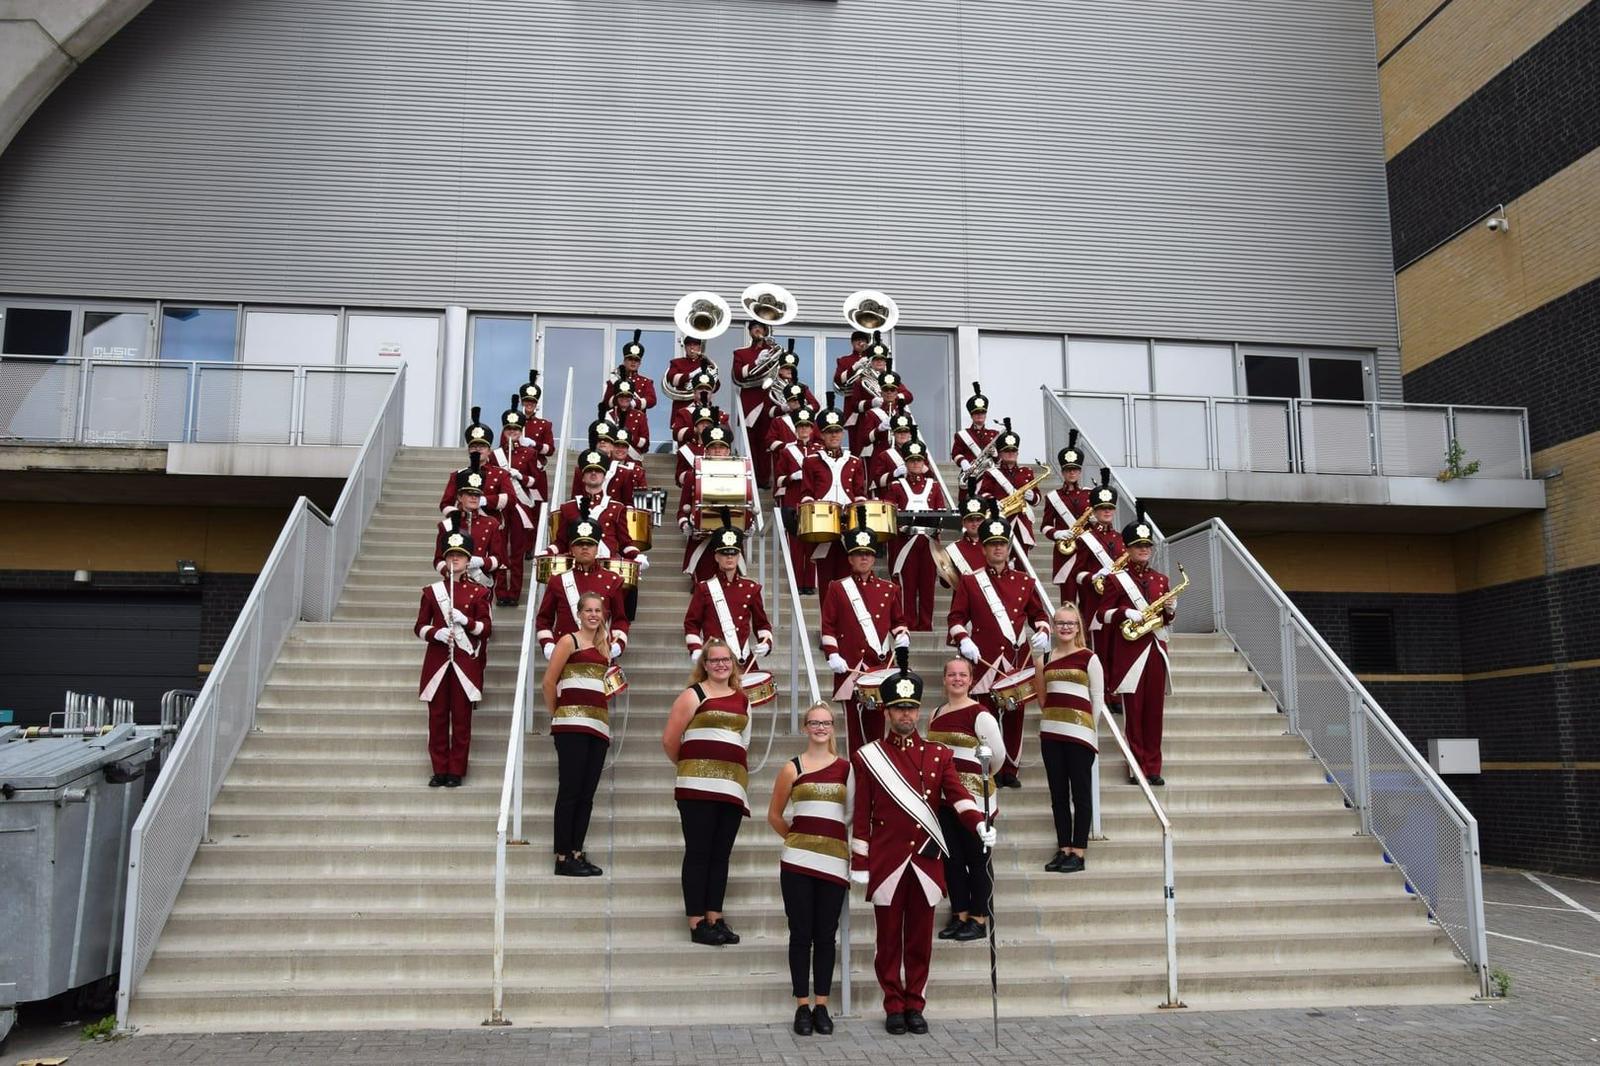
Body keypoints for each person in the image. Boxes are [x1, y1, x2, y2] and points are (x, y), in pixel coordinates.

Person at [850, 648, 996, 1036]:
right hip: (886, 861)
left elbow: (958, 795)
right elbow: (861, 813)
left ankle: (915, 1003)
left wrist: (979, 823)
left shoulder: (938, 754)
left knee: (919, 941)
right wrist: (860, 862)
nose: (905, 716)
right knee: (888, 943)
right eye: (898, 709)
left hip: (926, 861)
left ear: (918, 711)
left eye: (911, 709)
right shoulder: (868, 757)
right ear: (886, 712)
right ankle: (893, 1004)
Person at [766, 702, 850, 1037]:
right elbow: (774, 815)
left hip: (834, 863)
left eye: (825, 723)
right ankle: (802, 1005)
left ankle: (822, 1005)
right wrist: (800, 841)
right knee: (801, 934)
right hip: (798, 863)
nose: (819, 728)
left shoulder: (847, 768)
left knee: (826, 935)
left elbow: (855, 814)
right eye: (813, 722)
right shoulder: (792, 767)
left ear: (833, 727)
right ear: (805, 727)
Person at [947, 517, 1050, 788]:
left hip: (1017, 658)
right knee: (985, 718)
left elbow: (1038, 615)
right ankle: (989, 768)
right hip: (984, 658)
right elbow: (955, 618)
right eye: (992, 545)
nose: (998, 550)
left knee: (1015, 717)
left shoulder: (1024, 581)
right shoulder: (970, 582)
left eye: (1002, 544)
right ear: (983, 548)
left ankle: (1011, 770)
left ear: (1009, 547)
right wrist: (964, 640)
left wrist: (1042, 631)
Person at [662, 637, 752, 946]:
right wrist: (694, 767)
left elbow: (744, 741)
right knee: (699, 853)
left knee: (721, 855)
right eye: (714, 660)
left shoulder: (743, 699)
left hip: (731, 788)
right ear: (704, 664)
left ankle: (715, 915)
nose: (720, 664)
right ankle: (697, 921)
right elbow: (670, 740)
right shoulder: (693, 695)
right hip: (697, 789)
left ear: (733, 663)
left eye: (725, 659)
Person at [925, 658, 1004, 942]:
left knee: (977, 858)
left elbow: (997, 757)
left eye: (962, 675)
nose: (957, 679)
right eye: (951, 674)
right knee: (953, 860)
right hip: (944, 800)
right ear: (944, 679)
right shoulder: (935, 713)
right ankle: (959, 914)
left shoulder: (980, 715)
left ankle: (979, 918)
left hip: (976, 799)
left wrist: (973, 781)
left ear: (971, 680)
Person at [1097, 513, 1175, 786]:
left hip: (1155, 649)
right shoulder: (1117, 579)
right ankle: (1136, 765)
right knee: (1134, 713)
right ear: (1127, 549)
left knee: (1155, 712)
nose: (1144, 550)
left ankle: (1153, 766)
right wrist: (1125, 612)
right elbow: (1102, 614)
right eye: (1138, 545)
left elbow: (1164, 620)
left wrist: (1170, 611)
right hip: (1130, 653)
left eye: (1147, 545)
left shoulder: (1162, 580)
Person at [820, 520, 910, 755]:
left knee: (879, 726)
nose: (864, 559)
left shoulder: (889, 588)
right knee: (854, 730)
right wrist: (833, 655)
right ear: (850, 558)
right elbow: (827, 626)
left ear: (874, 558)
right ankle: (858, 774)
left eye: (868, 554)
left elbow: (898, 622)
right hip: (850, 665)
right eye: (859, 554)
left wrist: (902, 637)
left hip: (879, 666)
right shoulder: (838, 588)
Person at [414, 524, 493, 788]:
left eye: (459, 555)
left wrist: (466, 622)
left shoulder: (480, 592)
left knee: (461, 719)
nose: (455, 559)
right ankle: (439, 768)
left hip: (464, 664)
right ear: (444, 560)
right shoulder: (431, 591)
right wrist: (435, 633)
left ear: (468, 560)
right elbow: (419, 627)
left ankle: (456, 770)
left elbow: (486, 629)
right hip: (438, 662)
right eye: (450, 555)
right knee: (437, 718)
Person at [542, 590, 614, 877]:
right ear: (579, 613)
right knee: (570, 791)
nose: (594, 615)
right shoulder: (568, 641)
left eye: (598, 611)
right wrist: (558, 714)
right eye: (589, 610)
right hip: (571, 725)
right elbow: (549, 682)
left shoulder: (605, 646)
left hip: (598, 726)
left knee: (587, 794)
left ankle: (576, 851)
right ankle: (562, 856)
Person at [1039, 603, 1106, 872]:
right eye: (1060, 623)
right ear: (1054, 627)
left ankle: (1078, 852)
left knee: (1080, 793)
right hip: (1051, 732)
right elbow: (1043, 698)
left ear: (1078, 627)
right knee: (1058, 793)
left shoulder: (1089, 657)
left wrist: (1088, 729)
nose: (1065, 627)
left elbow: (1098, 698)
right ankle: (1063, 847)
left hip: (1080, 736)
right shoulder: (1046, 657)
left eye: (1071, 623)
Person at [799, 399, 868, 599]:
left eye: (837, 431)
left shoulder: (854, 461)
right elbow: (807, 492)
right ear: (821, 434)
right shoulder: (811, 461)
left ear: (843, 433)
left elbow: (859, 491)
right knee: (827, 584)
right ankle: (827, 630)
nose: (834, 435)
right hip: (824, 529)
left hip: (849, 529)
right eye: (829, 431)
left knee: (849, 584)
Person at [683, 523, 773, 672]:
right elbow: (691, 624)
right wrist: (696, 648)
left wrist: (766, 643)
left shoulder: (751, 588)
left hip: (742, 660)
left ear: (739, 557)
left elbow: (762, 624)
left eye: (733, 553)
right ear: (716, 557)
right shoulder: (704, 588)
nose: (729, 557)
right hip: (713, 660)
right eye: (724, 553)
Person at [535, 519, 630, 660]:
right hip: (565, 657)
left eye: (590, 544)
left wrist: (618, 645)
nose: (585, 548)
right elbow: (544, 619)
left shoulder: (613, 580)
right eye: (579, 544)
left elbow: (620, 619)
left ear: (597, 548)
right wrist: (549, 646)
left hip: (601, 655)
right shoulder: (557, 581)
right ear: (572, 549)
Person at [880, 441, 948, 631]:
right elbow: (890, 514)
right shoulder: (896, 486)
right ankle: (906, 623)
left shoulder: (933, 486)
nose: (916, 464)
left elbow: (940, 512)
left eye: (919, 461)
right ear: (906, 463)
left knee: (927, 586)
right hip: (905, 542)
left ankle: (926, 624)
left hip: (928, 543)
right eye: (912, 461)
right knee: (906, 585)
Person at [676, 426, 744, 585]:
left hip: (731, 541)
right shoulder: (694, 475)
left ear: (728, 451)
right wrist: (686, 524)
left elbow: (746, 505)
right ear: (706, 451)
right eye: (714, 447)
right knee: (705, 591)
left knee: (732, 591)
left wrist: (749, 523)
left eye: (722, 447)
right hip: (703, 543)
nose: (718, 451)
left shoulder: (740, 473)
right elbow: (683, 508)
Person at [1072, 471, 1126, 664]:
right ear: (1094, 511)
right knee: (1099, 655)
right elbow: (1077, 574)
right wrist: (1094, 577)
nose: (1106, 511)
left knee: (1118, 657)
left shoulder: (1123, 539)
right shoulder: (1087, 539)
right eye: (1102, 508)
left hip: (1120, 603)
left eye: (1110, 508)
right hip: (1095, 603)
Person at [490, 396, 538, 606]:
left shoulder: (529, 453)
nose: (512, 433)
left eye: (515, 430)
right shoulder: (495, 455)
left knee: (517, 551)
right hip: (501, 507)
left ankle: (515, 593)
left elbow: (535, 481)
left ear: (521, 431)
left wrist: (520, 476)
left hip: (519, 506)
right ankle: (501, 593)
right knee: (500, 550)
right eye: (508, 430)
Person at [432, 455, 504, 592]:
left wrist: (482, 561)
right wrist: (451, 571)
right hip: (454, 584)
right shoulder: (446, 525)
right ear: (459, 497)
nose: (473, 498)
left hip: (481, 585)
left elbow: (498, 559)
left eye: (477, 495)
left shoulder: (491, 523)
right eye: (469, 494)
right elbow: (438, 560)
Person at [1039, 431, 1092, 608]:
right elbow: (1045, 527)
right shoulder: (1053, 497)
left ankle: (1085, 636)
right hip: (1065, 555)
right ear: (1062, 471)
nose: (1072, 473)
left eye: (1075, 469)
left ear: (1080, 471)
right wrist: (1058, 533)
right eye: (1068, 470)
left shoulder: (1090, 494)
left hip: (1087, 554)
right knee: (1067, 602)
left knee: (1087, 602)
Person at [770, 406, 820, 593]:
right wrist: (793, 477)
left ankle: (810, 584)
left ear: (812, 429)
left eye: (807, 427)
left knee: (813, 542)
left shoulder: (820, 450)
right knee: (796, 546)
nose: (804, 430)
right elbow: (779, 479)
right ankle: (797, 584)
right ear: (796, 429)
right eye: (801, 427)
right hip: (793, 500)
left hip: (814, 501)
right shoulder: (787, 452)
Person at [976, 418, 1040, 559]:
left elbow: (1037, 499)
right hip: (1000, 520)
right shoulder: (992, 473)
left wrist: (1032, 496)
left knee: (1021, 563)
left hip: (1022, 523)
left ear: (1017, 453)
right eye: (1006, 451)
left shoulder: (1027, 472)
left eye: (1013, 450)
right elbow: (983, 494)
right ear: (1000, 453)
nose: (1010, 453)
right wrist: (993, 502)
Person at [439, 408, 513, 521]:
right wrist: (457, 516)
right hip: (464, 527)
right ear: (468, 450)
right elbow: (445, 504)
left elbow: (511, 500)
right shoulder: (458, 475)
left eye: (482, 447)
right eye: (473, 447)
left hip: (492, 529)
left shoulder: (501, 474)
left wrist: (484, 501)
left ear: (489, 451)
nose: (477, 450)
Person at [732, 319, 778, 484]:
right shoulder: (741, 353)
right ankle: (751, 477)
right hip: (750, 401)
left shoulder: (774, 350)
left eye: (760, 328)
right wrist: (756, 363)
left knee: (767, 441)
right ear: (750, 332)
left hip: (770, 399)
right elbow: (737, 375)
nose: (757, 331)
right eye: (754, 328)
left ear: (766, 331)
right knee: (750, 441)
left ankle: (765, 478)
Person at [517, 371, 556, 511]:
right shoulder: (513, 425)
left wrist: (535, 444)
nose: (530, 404)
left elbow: (550, 449)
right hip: (517, 471)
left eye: (533, 401)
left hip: (536, 471)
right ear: (522, 401)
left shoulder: (544, 424)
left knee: (538, 508)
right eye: (527, 400)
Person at [950, 383, 998, 476]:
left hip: (990, 478)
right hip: (970, 476)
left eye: (982, 412)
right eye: (976, 413)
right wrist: (963, 462)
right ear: (971, 415)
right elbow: (955, 454)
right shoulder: (962, 435)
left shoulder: (994, 434)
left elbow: (1001, 459)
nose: (979, 415)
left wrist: (996, 454)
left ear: (985, 415)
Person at [603, 330, 659, 411]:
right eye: (630, 359)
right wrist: (621, 401)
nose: (633, 362)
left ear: (639, 363)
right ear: (624, 361)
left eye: (636, 360)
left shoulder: (646, 382)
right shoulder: (614, 381)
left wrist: (635, 403)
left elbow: (652, 400)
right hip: (617, 419)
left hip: (637, 420)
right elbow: (606, 403)